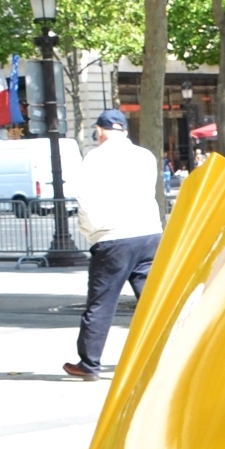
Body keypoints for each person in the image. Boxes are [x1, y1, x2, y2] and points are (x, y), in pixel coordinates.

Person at [60, 110, 163, 382]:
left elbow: (85, 200)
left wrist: (91, 233)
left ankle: (89, 363)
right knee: (153, 300)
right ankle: (169, 355)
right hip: (149, 233)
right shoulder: (145, 156)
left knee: (102, 303)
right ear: (125, 131)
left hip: (113, 236)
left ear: (100, 131)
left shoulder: (95, 157)